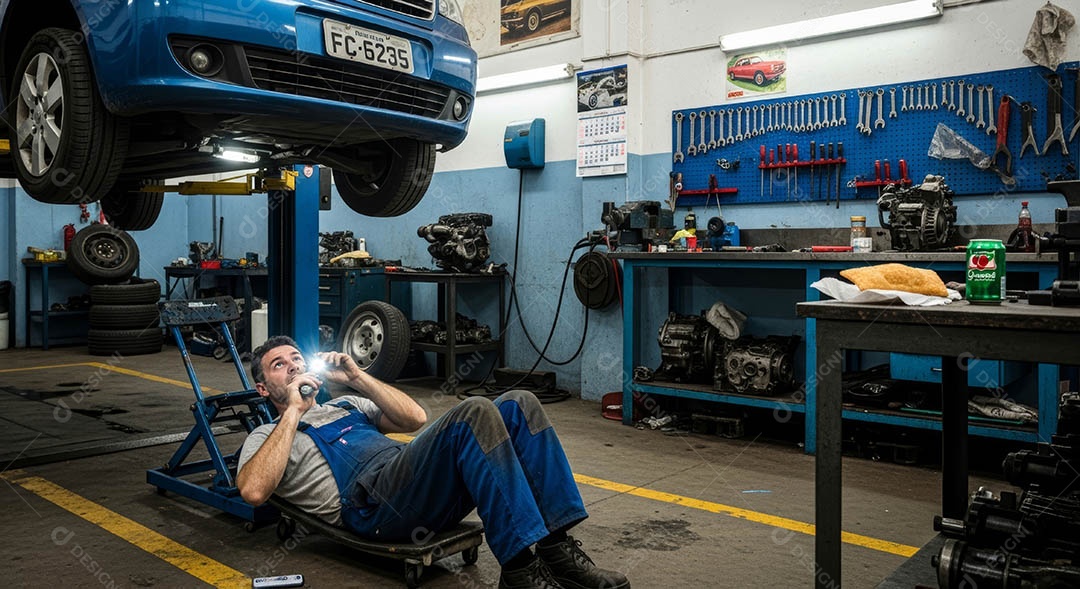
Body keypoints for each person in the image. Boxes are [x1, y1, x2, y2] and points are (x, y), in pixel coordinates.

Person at [237, 335, 630, 589]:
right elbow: (254, 491)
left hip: (409, 481)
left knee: (519, 403)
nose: (293, 366)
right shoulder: (268, 435)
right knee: (475, 411)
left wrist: (357, 377)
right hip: (374, 507)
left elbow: (415, 419)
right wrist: (293, 411)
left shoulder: (346, 404)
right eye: (279, 365)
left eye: (296, 358)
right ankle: (519, 570)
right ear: (263, 388)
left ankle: (557, 551)